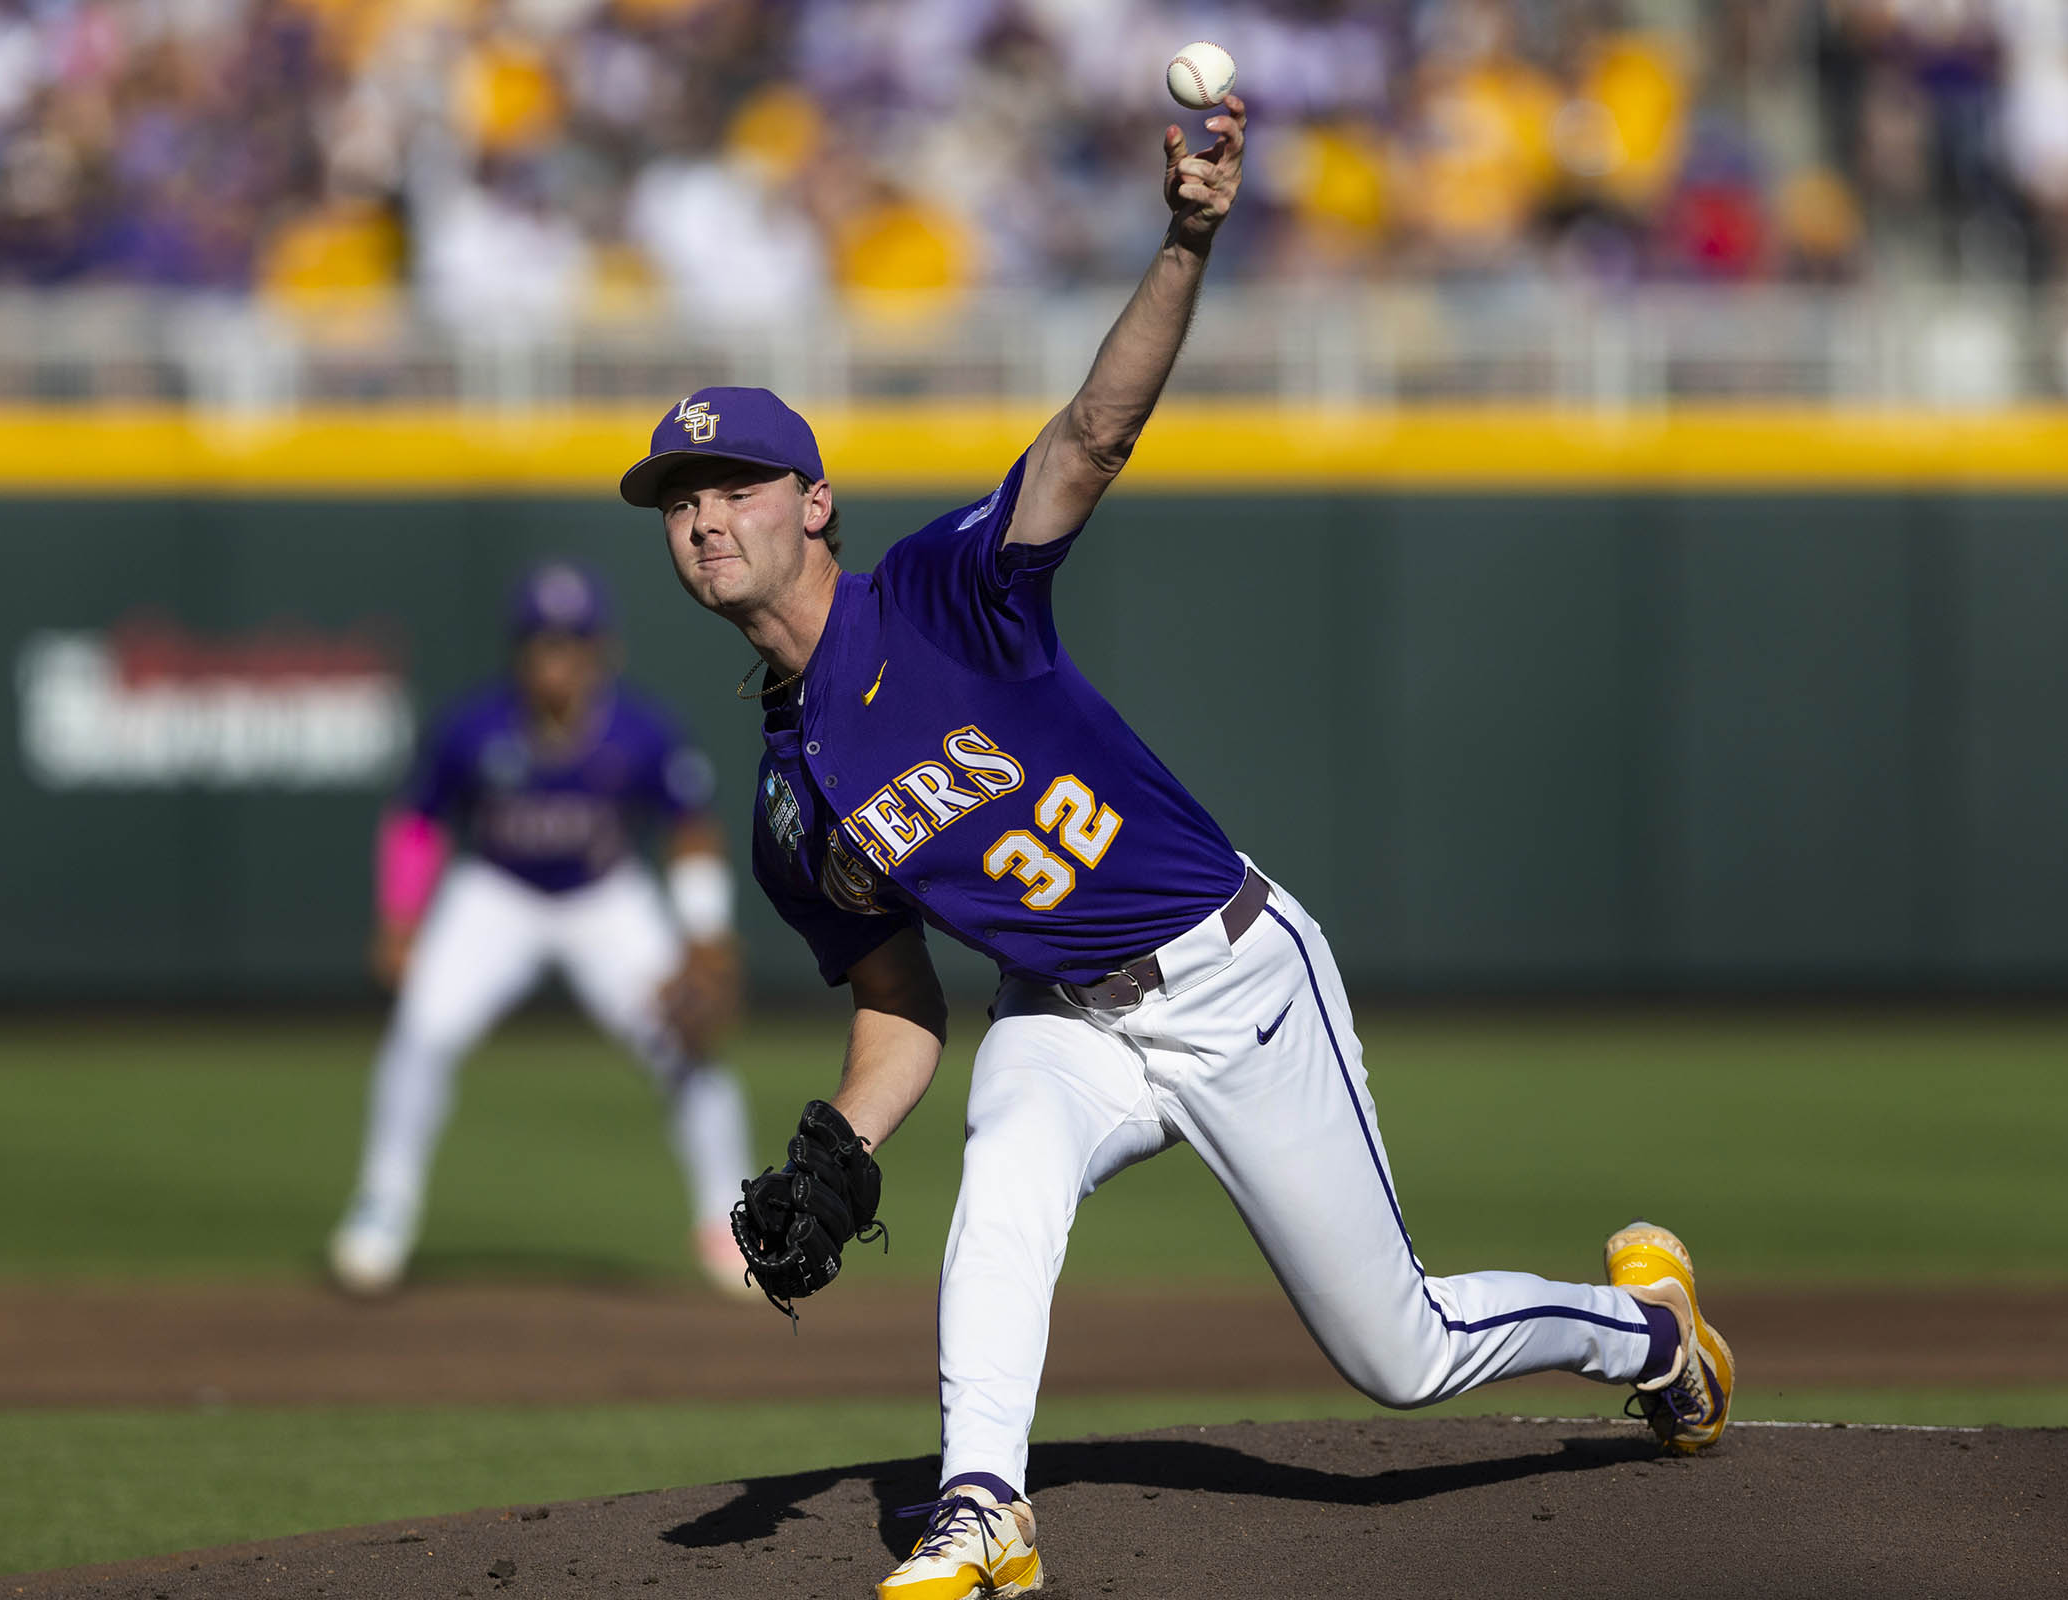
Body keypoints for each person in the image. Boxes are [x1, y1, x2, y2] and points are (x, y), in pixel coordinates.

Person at [620, 96, 1733, 1600]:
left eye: (734, 486)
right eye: (678, 503)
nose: (703, 520)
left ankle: (1649, 1330)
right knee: (1005, 1162)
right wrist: (845, 1143)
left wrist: (1190, 236)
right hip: (1060, 1018)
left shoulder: (943, 596)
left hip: (1229, 978)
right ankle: (982, 1508)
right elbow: (897, 1001)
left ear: (814, 503)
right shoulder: (785, 810)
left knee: (1397, 1353)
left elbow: (1093, 432)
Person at [329, 562, 754, 1297]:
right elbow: (419, 821)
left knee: (688, 1043)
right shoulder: (475, 727)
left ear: (600, 652)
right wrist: (400, 919)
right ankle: (382, 1210)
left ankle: (734, 1225)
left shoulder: (640, 732)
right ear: (518, 653)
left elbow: (690, 830)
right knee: (422, 1030)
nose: (555, 659)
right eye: (540, 644)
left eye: (570, 643)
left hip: (605, 897)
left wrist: (704, 933)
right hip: (497, 894)